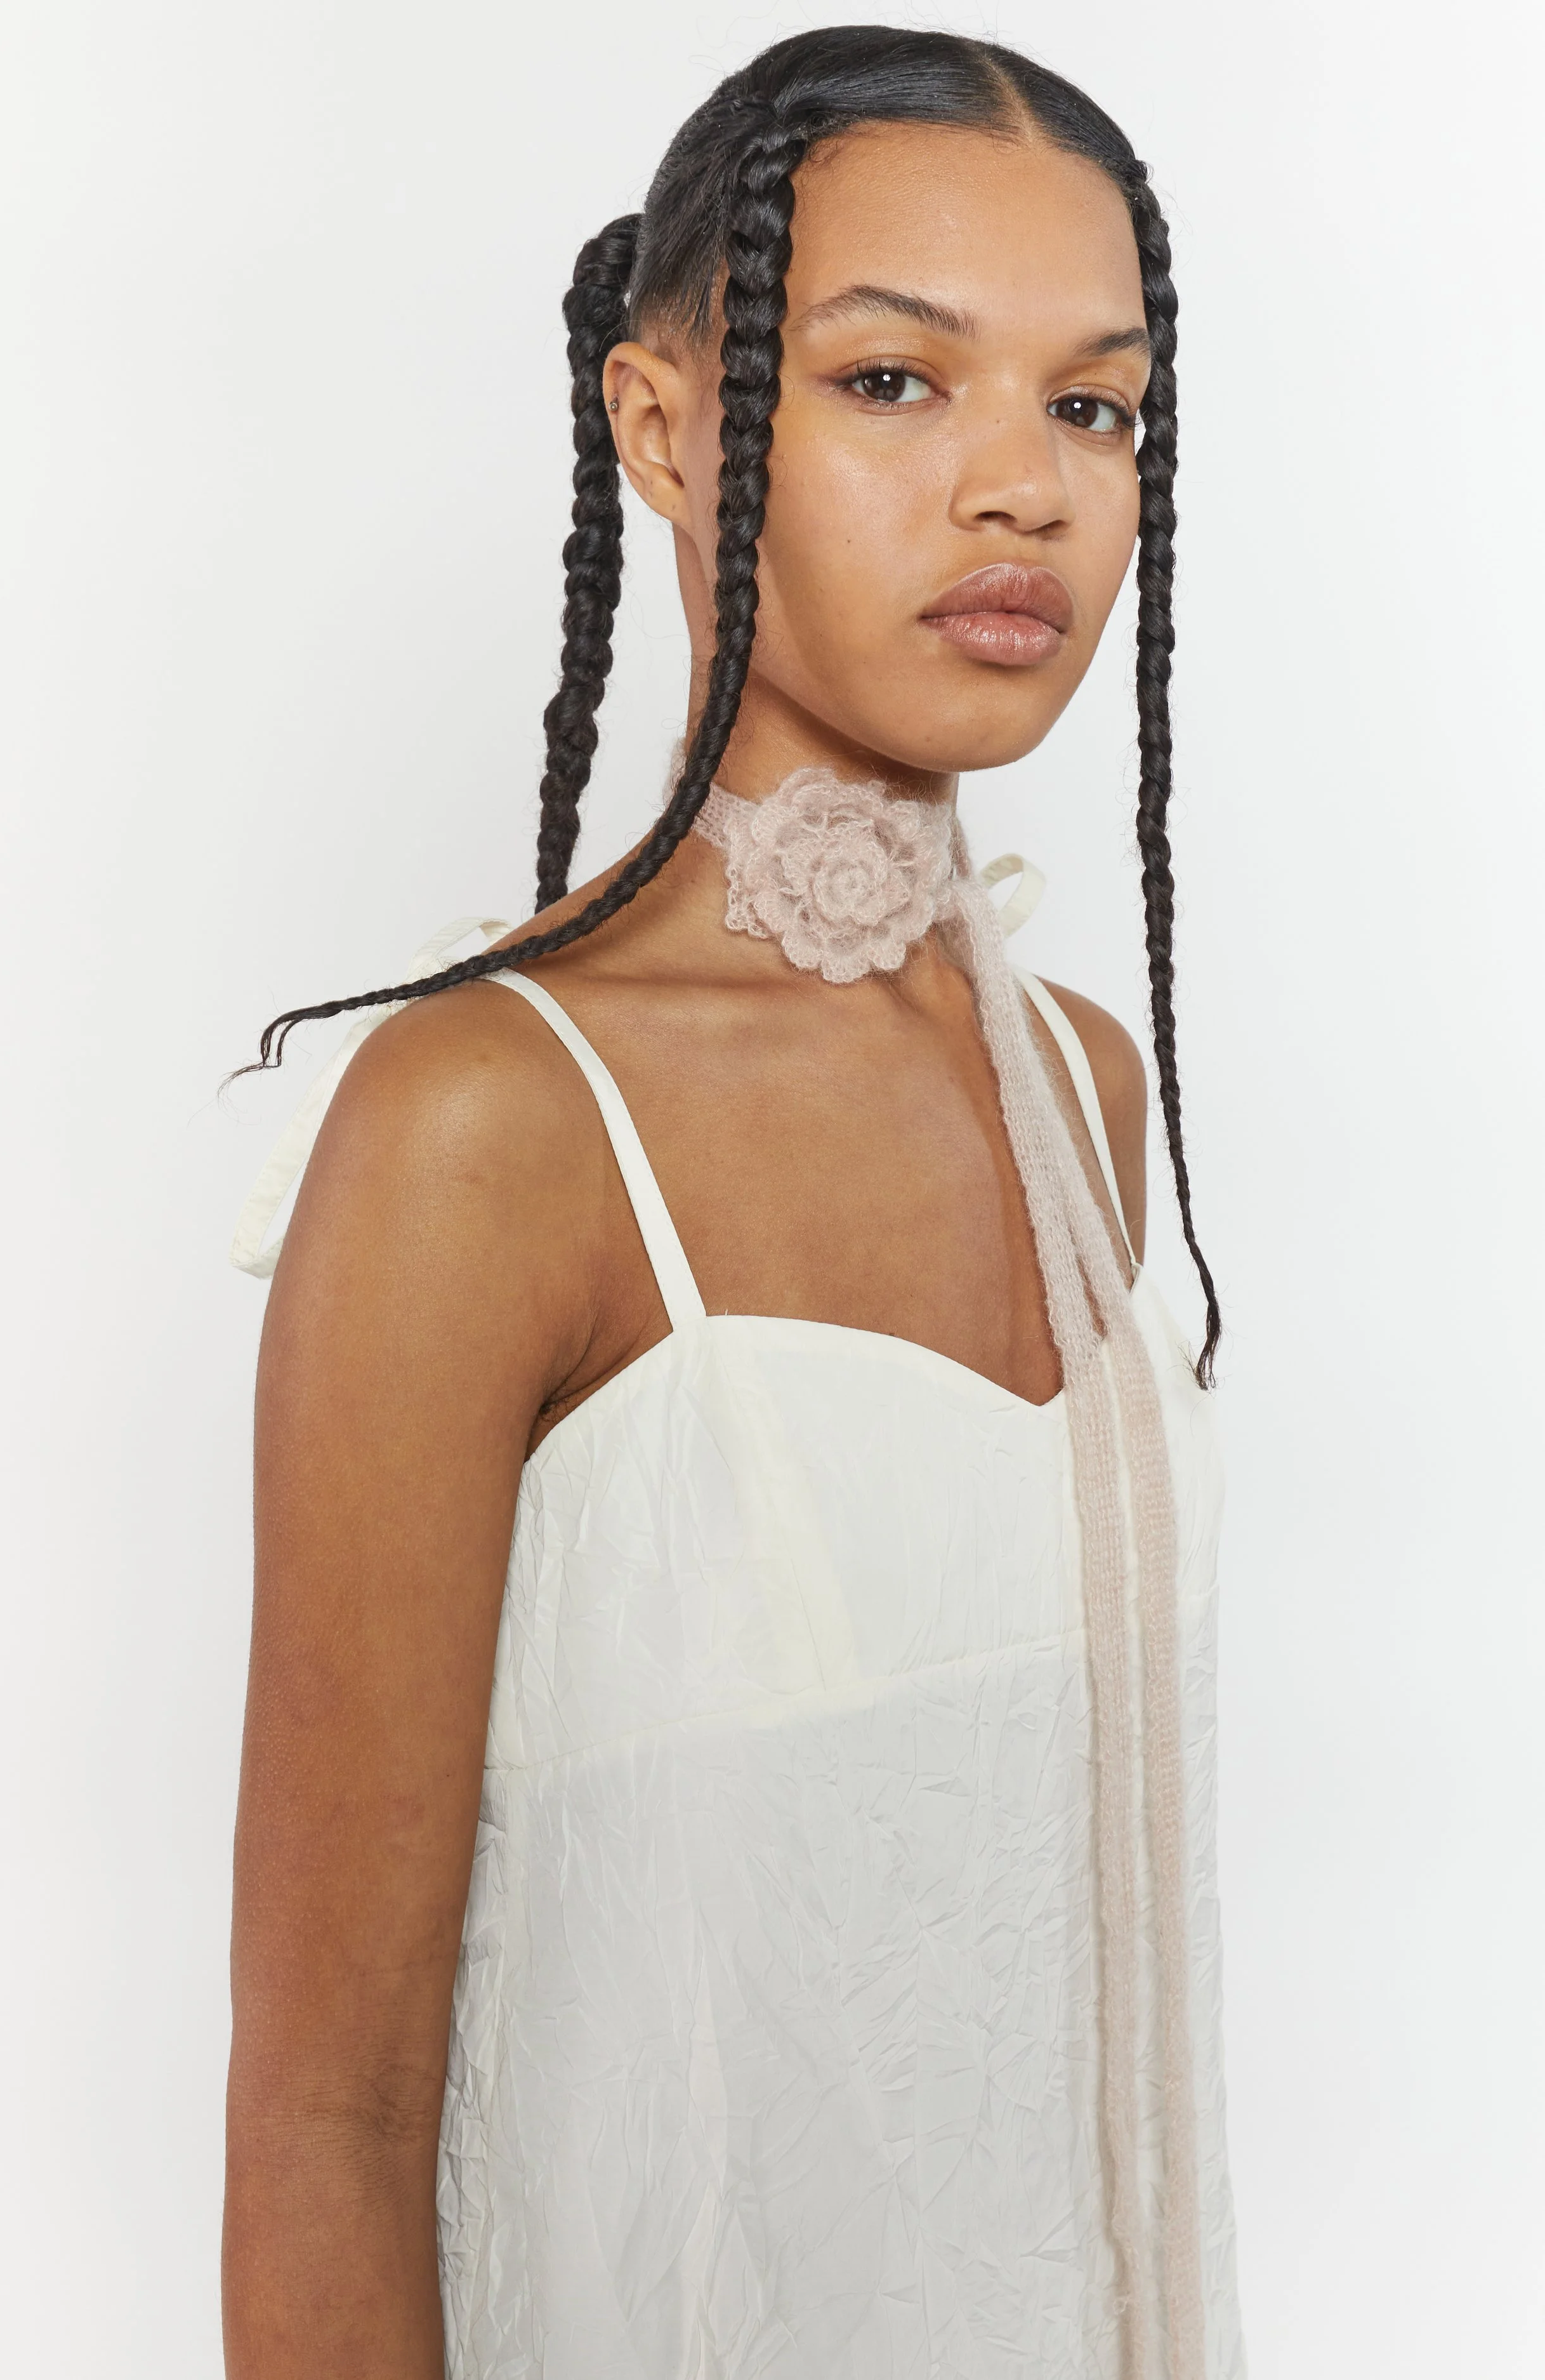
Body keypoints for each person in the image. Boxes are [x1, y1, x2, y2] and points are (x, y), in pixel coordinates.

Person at [222, 27, 1244, 2380]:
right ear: (665, 427)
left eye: (1094, 407)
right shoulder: (490, 1124)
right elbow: (325, 2116)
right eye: (894, 380)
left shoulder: (1081, 1092)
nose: (1023, 488)